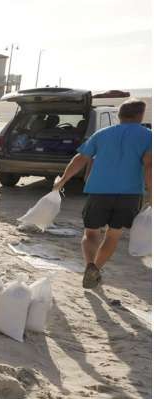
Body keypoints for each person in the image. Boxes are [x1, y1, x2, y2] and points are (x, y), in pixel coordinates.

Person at [53, 98, 152, 288]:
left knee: (91, 234)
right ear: (141, 115)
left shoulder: (102, 134)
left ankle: (90, 264)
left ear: (119, 115)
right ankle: (96, 268)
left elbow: (80, 158)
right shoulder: (149, 136)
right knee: (113, 235)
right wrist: (151, 193)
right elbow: (149, 166)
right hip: (129, 194)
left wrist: (63, 180)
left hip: (99, 191)